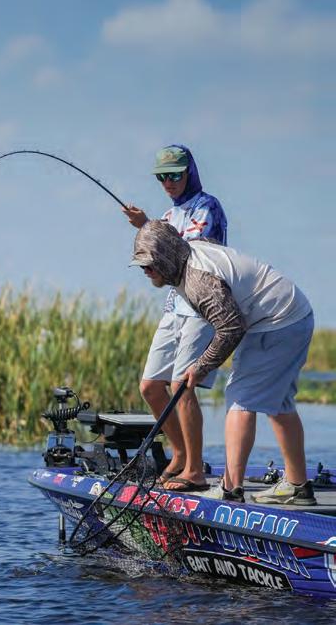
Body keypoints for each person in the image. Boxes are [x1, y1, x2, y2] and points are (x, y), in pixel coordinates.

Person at [130, 219, 316, 505]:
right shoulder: (189, 250)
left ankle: (230, 489)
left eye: (149, 264)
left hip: (276, 321)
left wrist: (201, 366)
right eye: (141, 265)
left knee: (240, 399)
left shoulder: (198, 282)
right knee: (280, 404)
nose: (145, 270)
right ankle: (298, 485)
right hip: (293, 314)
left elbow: (231, 328)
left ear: (167, 257)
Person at [123, 145, 227, 493]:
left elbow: (190, 252)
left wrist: (148, 226)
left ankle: (195, 471)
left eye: (174, 175)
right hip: (174, 306)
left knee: (183, 385)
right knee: (151, 386)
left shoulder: (207, 206)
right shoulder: (168, 215)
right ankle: (180, 454)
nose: (168, 182)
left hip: (202, 306)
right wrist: (147, 240)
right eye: (161, 177)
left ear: (189, 172)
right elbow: (162, 267)